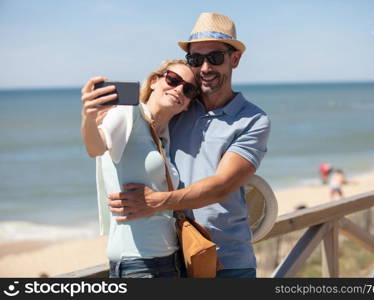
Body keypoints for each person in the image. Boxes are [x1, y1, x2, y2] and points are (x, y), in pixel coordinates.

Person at [107, 12, 271, 278]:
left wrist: (157, 202)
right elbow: (143, 99)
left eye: (215, 58)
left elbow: (223, 186)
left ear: (235, 59)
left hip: (229, 262)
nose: (205, 68)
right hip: (176, 259)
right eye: (195, 59)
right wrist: (96, 100)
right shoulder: (181, 103)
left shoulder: (254, 120)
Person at [80, 59, 199, 278]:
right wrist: (88, 116)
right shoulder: (129, 112)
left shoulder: (164, 136)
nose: (179, 89)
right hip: (138, 265)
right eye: (173, 80)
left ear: (188, 104)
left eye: (189, 89)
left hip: (172, 261)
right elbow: (96, 147)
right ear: (154, 81)